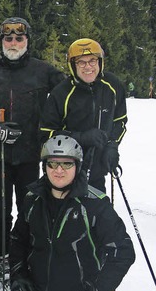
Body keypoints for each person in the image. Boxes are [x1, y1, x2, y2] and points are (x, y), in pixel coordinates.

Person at [0, 17, 64, 280]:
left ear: (27, 41)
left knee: (29, 209)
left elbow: (67, 94)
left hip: (30, 154)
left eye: (19, 38)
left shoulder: (42, 70)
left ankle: (26, 257)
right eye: (8, 38)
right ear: (1, 42)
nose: (13, 43)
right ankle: (1, 257)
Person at [5, 135, 135, 291]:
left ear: (78, 166)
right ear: (44, 166)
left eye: (67, 164)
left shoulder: (94, 205)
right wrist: (18, 276)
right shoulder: (32, 199)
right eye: (52, 163)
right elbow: (18, 240)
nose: (59, 170)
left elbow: (123, 251)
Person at [40, 38, 127, 193]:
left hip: (98, 169)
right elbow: (46, 133)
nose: (88, 67)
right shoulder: (61, 93)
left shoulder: (112, 86)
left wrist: (112, 146)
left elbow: (119, 121)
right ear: (73, 65)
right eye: (81, 62)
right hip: (65, 172)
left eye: (92, 61)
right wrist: (81, 137)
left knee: (97, 214)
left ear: (100, 62)